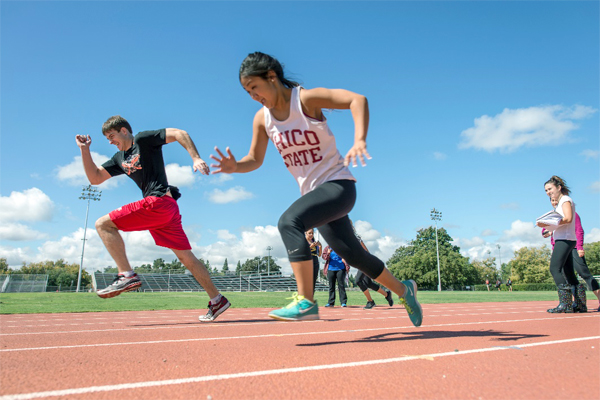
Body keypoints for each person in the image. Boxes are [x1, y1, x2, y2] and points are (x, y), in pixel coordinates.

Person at [210, 52, 422, 326]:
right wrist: (234, 166)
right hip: (315, 197)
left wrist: (359, 140)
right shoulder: (262, 120)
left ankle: (306, 301)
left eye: (254, 87)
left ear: (271, 77)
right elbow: (255, 159)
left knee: (289, 222)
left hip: (338, 186)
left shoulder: (305, 100)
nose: (252, 95)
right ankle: (405, 290)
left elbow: (358, 100)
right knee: (354, 256)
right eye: (246, 91)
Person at [75, 115, 230, 322]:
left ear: (123, 131)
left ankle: (126, 275)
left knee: (103, 224)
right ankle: (217, 299)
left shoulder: (142, 140)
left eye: (112, 136)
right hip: (165, 212)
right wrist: (84, 150)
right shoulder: (119, 159)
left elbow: (179, 133)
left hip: (159, 202)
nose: (111, 142)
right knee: (185, 257)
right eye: (107, 139)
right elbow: (95, 178)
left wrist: (195, 157)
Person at [542, 198, 600, 312]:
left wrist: (580, 247)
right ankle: (579, 303)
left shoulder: (572, 213)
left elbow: (579, 230)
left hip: (573, 247)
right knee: (568, 276)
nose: (554, 203)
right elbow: (544, 231)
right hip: (559, 248)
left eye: (556, 200)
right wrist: (547, 232)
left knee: (584, 274)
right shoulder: (552, 216)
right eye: (552, 201)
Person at [536, 175, 580, 313]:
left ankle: (565, 303)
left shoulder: (565, 200)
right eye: (546, 190)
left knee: (554, 269)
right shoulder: (561, 202)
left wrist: (548, 223)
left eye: (550, 189)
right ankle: (579, 303)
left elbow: (567, 219)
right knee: (569, 273)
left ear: (559, 187)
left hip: (565, 239)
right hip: (566, 238)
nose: (548, 192)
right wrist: (549, 229)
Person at [305, 228, 322, 293]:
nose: (311, 234)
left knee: (313, 280)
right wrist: (310, 247)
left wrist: (320, 247)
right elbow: (303, 252)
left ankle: (311, 297)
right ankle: (305, 297)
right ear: (305, 233)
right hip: (307, 260)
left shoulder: (314, 242)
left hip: (315, 260)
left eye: (312, 233)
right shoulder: (303, 241)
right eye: (309, 233)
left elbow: (319, 255)